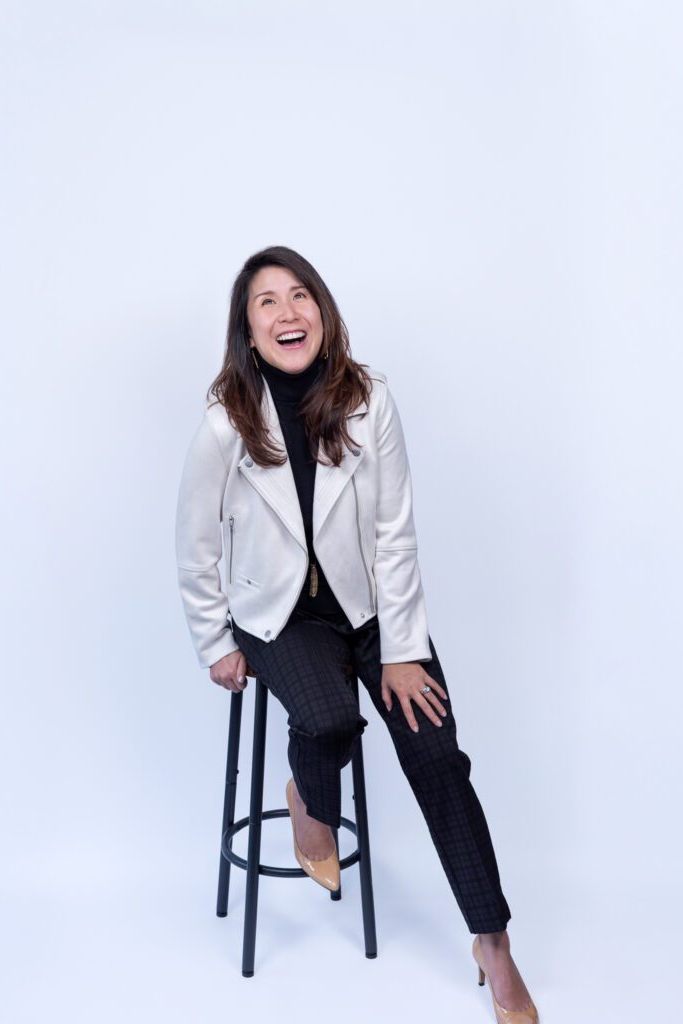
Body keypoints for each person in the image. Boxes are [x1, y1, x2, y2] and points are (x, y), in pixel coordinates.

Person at [175, 245, 538, 1023]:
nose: (286, 312)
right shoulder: (223, 424)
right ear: (246, 328)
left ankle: (494, 945)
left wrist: (402, 651)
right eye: (266, 302)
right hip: (279, 615)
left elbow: (396, 535)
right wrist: (217, 644)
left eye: (299, 295)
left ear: (323, 311)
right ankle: (309, 802)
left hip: (373, 611)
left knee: (438, 757)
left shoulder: (370, 398)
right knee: (331, 715)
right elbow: (194, 545)